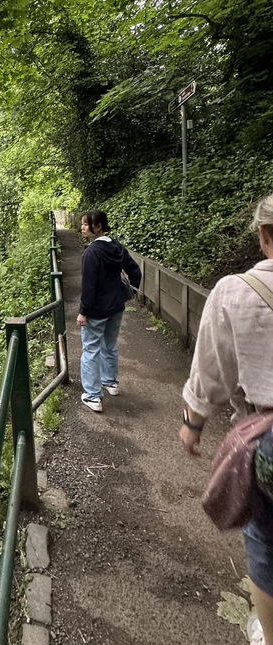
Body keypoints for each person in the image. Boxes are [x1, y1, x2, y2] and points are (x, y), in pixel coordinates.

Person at [180, 193, 273, 645]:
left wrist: (193, 422)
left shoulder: (235, 292)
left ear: (263, 235)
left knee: (265, 538)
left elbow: (211, 372)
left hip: (268, 438)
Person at [76, 210, 141, 413]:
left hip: (96, 310)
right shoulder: (117, 247)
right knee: (110, 344)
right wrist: (130, 292)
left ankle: (93, 396)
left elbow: (89, 286)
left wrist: (83, 312)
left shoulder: (91, 253)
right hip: (116, 307)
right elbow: (135, 271)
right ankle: (111, 383)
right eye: (83, 224)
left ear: (98, 226)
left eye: (86, 224)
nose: (83, 227)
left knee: (91, 350)